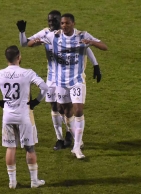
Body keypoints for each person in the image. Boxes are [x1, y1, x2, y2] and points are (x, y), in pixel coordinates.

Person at [16, 10, 102, 151]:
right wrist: (22, 32)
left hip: (68, 77)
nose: (52, 23)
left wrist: (96, 65)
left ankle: (70, 134)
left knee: (68, 108)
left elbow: (85, 48)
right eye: (49, 21)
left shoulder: (71, 34)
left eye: (55, 21)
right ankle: (59, 138)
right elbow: (25, 43)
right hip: (52, 78)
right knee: (55, 107)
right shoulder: (46, 34)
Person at [34, 13, 107, 159]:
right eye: (62, 23)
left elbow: (101, 47)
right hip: (58, 81)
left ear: (73, 23)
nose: (63, 25)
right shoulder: (52, 36)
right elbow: (27, 44)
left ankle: (76, 146)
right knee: (63, 111)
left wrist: (93, 49)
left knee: (78, 110)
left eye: (66, 23)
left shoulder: (81, 35)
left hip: (77, 80)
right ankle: (66, 137)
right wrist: (32, 39)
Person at [0, 45, 48, 188]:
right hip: (24, 117)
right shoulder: (27, 73)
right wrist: (36, 101)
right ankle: (34, 181)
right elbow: (44, 87)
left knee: (11, 148)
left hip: (8, 117)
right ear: (19, 57)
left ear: (6, 58)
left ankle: (12, 182)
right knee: (29, 148)